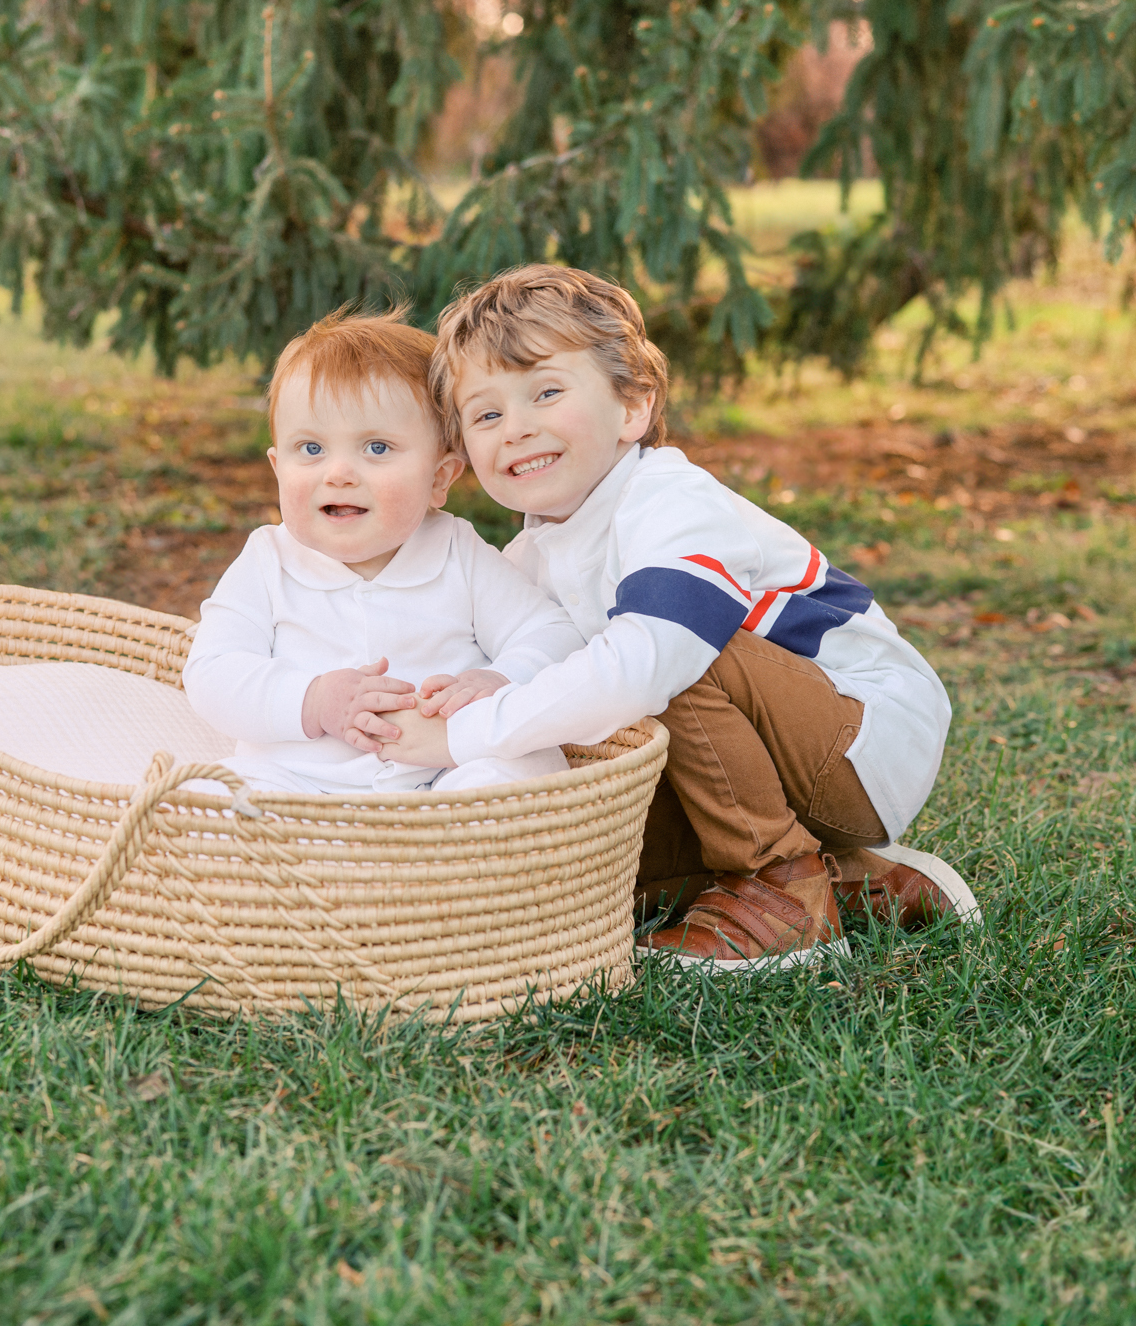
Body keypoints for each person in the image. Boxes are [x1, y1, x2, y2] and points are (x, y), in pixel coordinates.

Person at [362, 265, 977, 969]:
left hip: (859, 740)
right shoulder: (529, 552)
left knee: (668, 652)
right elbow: (543, 661)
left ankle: (782, 890)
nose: (517, 428)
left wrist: (463, 734)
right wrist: (491, 680)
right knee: (609, 879)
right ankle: (859, 881)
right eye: (487, 413)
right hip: (736, 757)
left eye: (547, 392)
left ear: (632, 407)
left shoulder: (670, 500)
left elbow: (657, 657)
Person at [182, 305, 582, 798]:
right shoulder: (268, 561)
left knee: (520, 770)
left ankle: (458, 859)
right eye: (311, 449)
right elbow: (212, 673)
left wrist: (498, 677)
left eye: (376, 448)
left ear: (439, 479)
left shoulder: (457, 552)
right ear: (277, 466)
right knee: (213, 796)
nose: (339, 473)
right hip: (297, 781)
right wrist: (312, 701)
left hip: (441, 775)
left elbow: (553, 634)